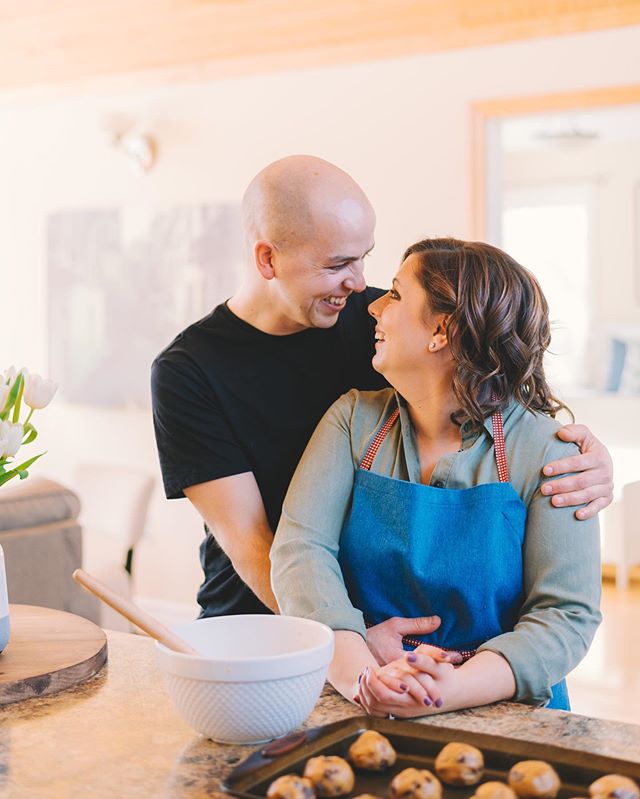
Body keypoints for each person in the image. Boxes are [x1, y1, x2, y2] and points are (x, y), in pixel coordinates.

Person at [151, 155, 612, 663]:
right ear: (267, 260)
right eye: (336, 265)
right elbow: (253, 541)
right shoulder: (187, 371)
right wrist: (344, 641)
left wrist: (582, 461)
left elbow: (497, 398)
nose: (360, 286)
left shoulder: (386, 326)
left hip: (391, 635)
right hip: (261, 629)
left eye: (364, 258)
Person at [270, 237, 602, 716]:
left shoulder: (552, 452)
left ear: (441, 331)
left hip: (509, 710)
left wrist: (442, 691)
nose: (376, 306)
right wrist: (363, 677)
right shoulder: (352, 421)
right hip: (366, 695)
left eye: (397, 295)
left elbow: (566, 616)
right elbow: (301, 552)